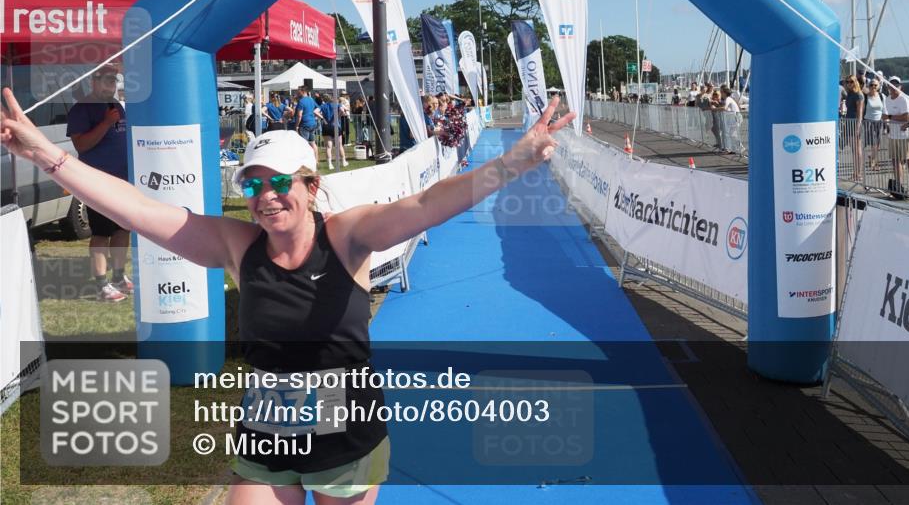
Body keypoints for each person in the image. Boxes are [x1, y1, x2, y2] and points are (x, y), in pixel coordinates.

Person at [1, 87, 575, 504]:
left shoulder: (347, 236)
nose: (267, 196)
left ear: (310, 185)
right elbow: (140, 210)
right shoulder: (236, 244)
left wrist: (512, 162)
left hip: (347, 438)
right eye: (253, 183)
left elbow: (426, 206)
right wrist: (48, 155)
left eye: (281, 182)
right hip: (267, 432)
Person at [65, 66, 133, 303]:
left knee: (123, 229)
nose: (109, 86)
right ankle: (101, 285)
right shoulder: (81, 110)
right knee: (102, 233)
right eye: (105, 81)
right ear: (93, 83)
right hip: (97, 182)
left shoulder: (116, 106)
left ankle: (118, 277)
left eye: (113, 82)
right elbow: (81, 146)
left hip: (122, 181)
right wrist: (105, 123)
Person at [883, 77, 909, 199]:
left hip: (907, 134)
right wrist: (890, 119)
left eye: (896, 85)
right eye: (891, 85)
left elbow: (907, 117)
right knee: (895, 161)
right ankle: (898, 187)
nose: (893, 87)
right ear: (888, 87)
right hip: (893, 134)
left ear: (900, 87)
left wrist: (890, 116)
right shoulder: (887, 99)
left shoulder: (905, 99)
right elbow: (884, 116)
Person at [842, 76, 864, 182]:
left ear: (855, 82)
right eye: (847, 82)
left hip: (855, 123)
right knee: (853, 149)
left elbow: (860, 112)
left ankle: (858, 173)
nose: (849, 83)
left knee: (857, 149)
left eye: (851, 82)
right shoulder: (850, 94)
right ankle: (855, 173)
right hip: (848, 122)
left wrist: (858, 127)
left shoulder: (858, 95)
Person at [862, 77, 885, 172]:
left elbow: (885, 109)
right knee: (873, 142)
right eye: (871, 85)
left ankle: (872, 158)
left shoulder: (882, 96)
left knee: (877, 143)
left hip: (879, 121)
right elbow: (862, 109)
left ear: (878, 86)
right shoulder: (865, 96)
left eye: (875, 85)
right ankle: (873, 163)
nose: (873, 87)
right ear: (868, 86)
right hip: (868, 121)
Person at [294, 85, 322, 160]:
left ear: (303, 91)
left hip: (304, 124)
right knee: (312, 143)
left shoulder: (301, 101)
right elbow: (319, 108)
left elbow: (299, 115)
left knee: (304, 144)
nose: (297, 92)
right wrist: (315, 114)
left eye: (298, 91)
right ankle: (316, 160)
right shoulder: (311, 99)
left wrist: (296, 126)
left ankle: (305, 160)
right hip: (312, 123)